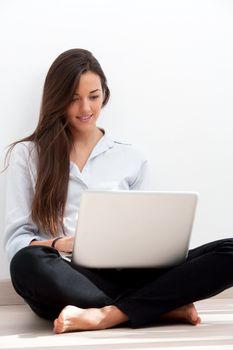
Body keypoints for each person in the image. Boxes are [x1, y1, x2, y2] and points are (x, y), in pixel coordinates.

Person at [3, 48, 233, 334]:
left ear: (105, 95)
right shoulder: (26, 155)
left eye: (94, 96)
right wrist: (58, 244)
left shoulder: (131, 157)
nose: (85, 108)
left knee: (230, 250)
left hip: (129, 273)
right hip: (67, 275)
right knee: (26, 263)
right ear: (56, 98)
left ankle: (108, 314)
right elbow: (16, 242)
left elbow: (145, 229)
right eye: (73, 99)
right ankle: (159, 306)